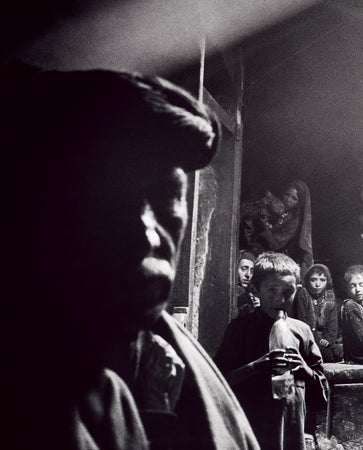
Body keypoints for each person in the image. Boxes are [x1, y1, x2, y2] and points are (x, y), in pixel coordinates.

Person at [6, 66, 258, 448]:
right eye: (110, 201)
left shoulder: (177, 352)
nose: (145, 232)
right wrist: (156, 416)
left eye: (163, 197)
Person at [214, 251, 328, 449]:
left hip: (291, 431)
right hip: (253, 428)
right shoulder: (240, 330)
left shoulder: (301, 331)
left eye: (288, 291)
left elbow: (322, 394)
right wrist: (255, 367)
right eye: (272, 290)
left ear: (298, 290)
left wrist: (304, 370)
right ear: (256, 290)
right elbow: (219, 382)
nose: (281, 299)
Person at [242, 180, 313, 272]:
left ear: (299, 202)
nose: (288, 199)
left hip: (272, 261)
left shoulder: (294, 221)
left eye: (294, 198)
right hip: (253, 250)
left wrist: (262, 227)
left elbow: (275, 245)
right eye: (287, 194)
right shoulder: (276, 207)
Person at [305, 263, 344, 363]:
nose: (318, 284)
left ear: (327, 282)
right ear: (307, 281)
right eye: (313, 280)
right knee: (327, 356)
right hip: (309, 339)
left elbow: (333, 325)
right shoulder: (303, 295)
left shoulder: (330, 298)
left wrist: (328, 339)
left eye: (322, 280)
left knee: (340, 351)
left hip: (325, 340)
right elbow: (303, 322)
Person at [236, 250, 261, 316]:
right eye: (244, 269)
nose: (248, 275)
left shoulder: (251, 293)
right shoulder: (238, 293)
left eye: (252, 271)